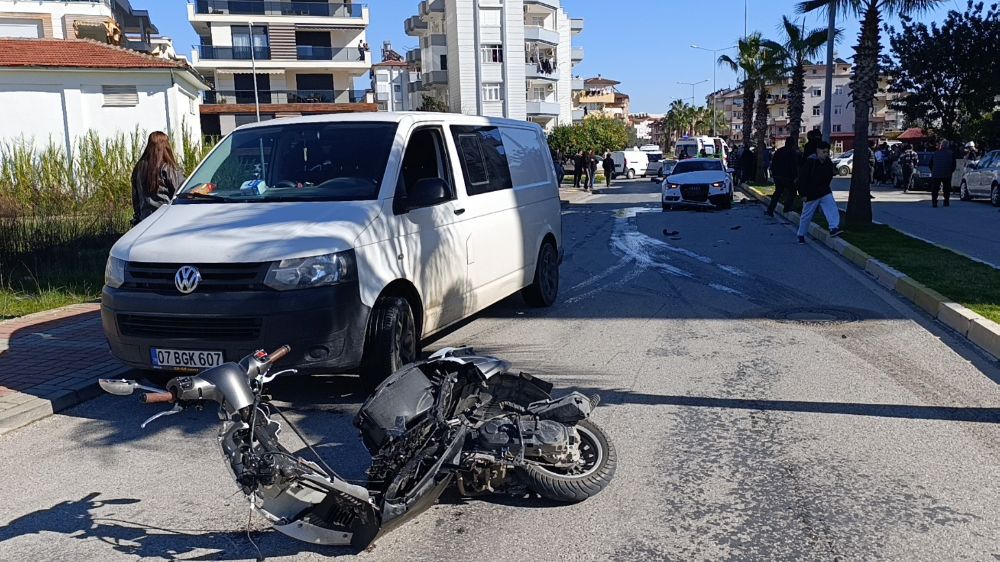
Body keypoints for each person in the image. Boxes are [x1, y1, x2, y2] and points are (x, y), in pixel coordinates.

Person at [131, 131, 183, 224]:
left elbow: (136, 198)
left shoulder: (139, 168)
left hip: (145, 220)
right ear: (165, 146)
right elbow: (180, 193)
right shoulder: (168, 168)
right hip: (167, 219)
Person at [796, 141, 842, 244]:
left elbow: (829, 176)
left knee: (831, 208)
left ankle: (834, 228)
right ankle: (801, 234)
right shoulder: (810, 162)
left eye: (827, 152)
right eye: (824, 152)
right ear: (818, 151)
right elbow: (802, 179)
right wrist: (802, 194)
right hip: (811, 194)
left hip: (824, 191)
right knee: (806, 215)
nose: (826, 154)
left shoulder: (828, 163)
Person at [766, 138, 799, 217]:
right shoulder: (792, 153)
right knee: (792, 192)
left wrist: (773, 174)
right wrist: (795, 176)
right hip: (788, 177)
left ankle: (770, 209)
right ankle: (787, 207)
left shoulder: (779, 151)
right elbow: (794, 166)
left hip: (778, 176)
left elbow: (773, 163)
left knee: (777, 193)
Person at [929, 140, 957, 207]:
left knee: (935, 189)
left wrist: (933, 170)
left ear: (941, 145)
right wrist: (951, 171)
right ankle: (946, 201)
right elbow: (954, 164)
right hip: (947, 173)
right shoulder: (951, 153)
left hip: (936, 173)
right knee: (946, 188)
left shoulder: (936, 153)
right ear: (948, 146)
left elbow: (930, 164)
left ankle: (934, 202)